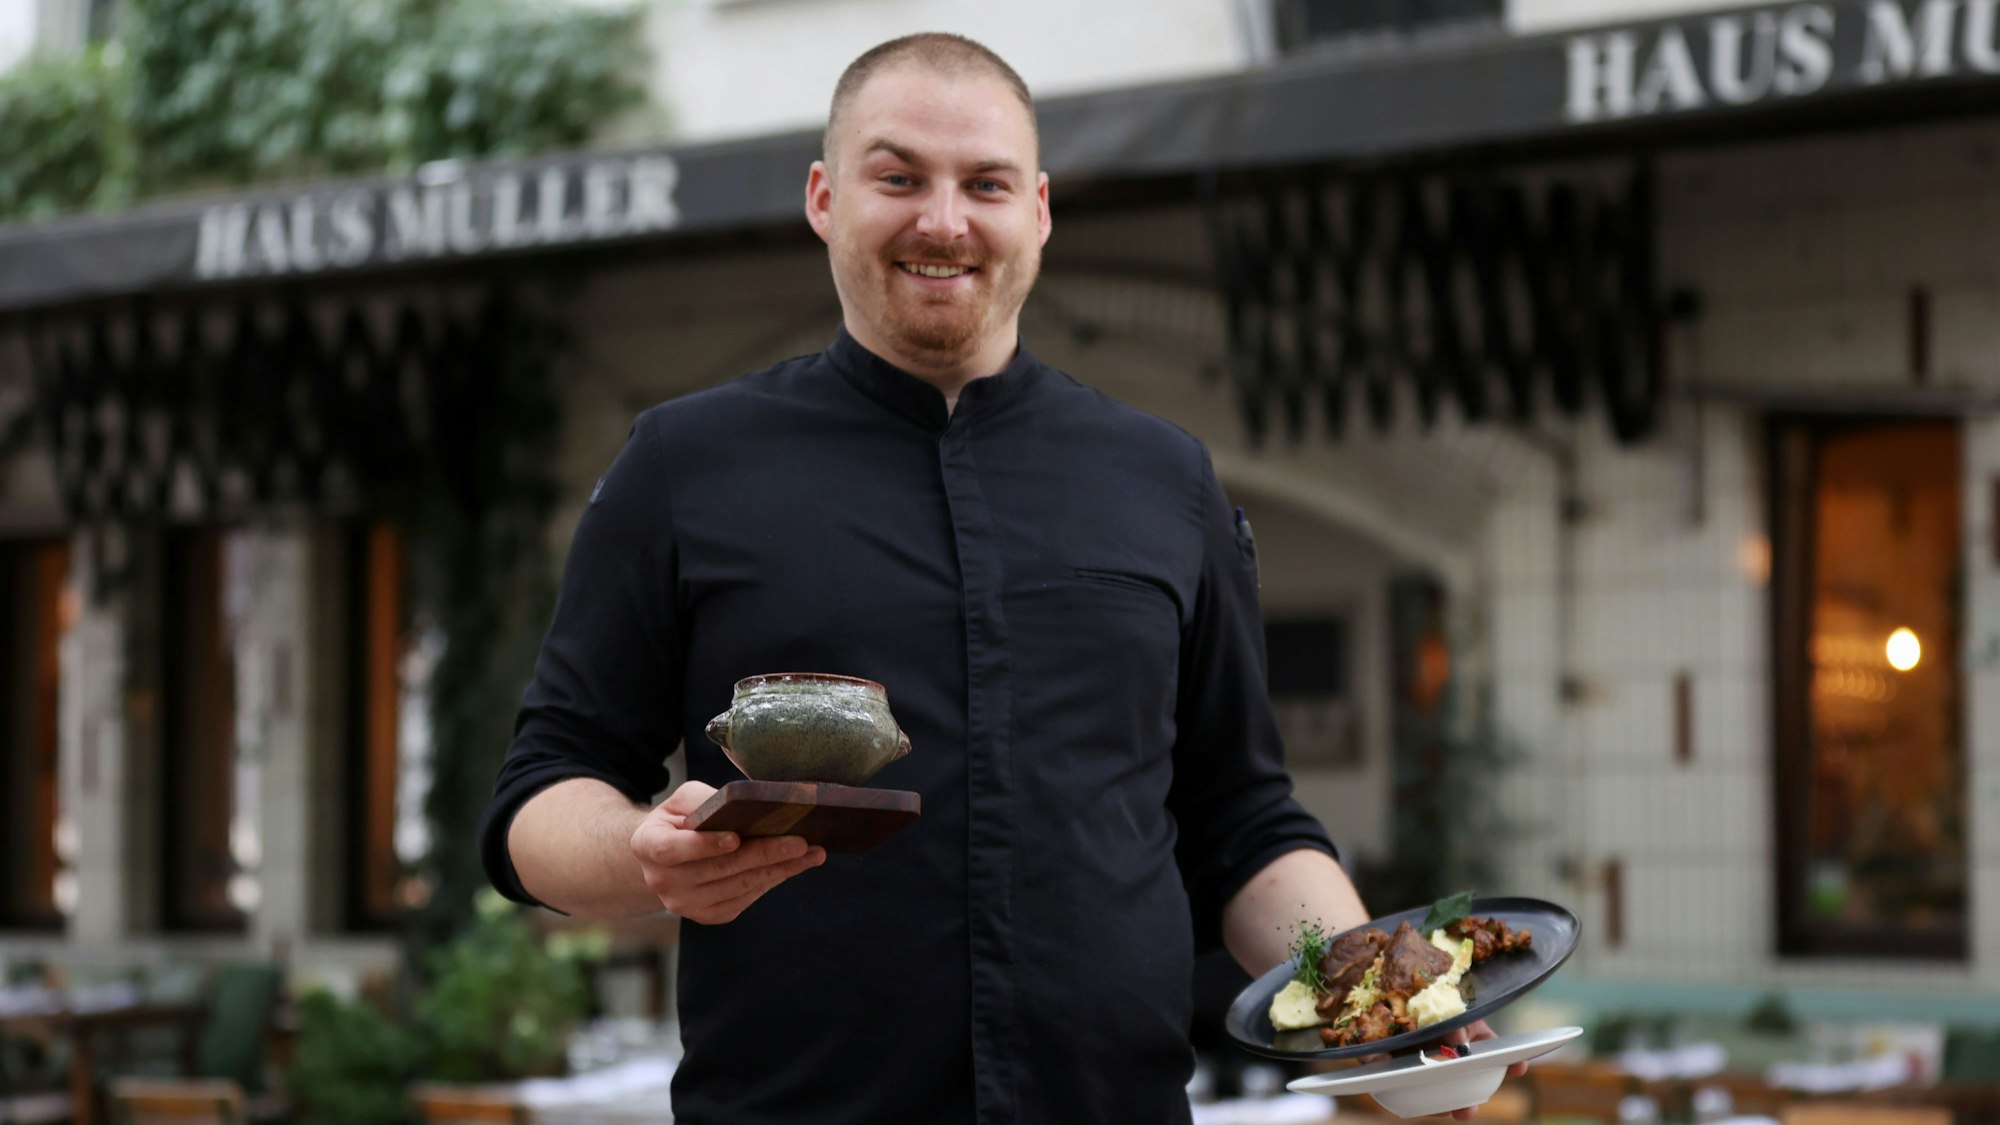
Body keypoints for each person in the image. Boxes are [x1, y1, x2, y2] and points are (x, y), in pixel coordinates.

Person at [480, 32, 1520, 1125]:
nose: (942, 221)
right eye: (897, 177)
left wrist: (1381, 1005)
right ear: (824, 198)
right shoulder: (683, 468)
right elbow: (537, 797)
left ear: (1038, 211)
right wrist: (642, 853)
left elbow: (1241, 819)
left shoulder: (1164, 480)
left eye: (984, 183)